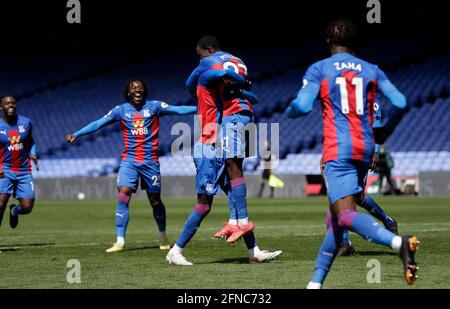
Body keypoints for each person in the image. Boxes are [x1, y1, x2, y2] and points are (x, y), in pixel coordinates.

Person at [285, 20, 418, 288]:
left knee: (344, 215)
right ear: (355, 43)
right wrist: (385, 132)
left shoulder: (320, 69)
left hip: (339, 147)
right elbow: (402, 102)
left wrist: (291, 111)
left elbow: (302, 105)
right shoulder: (372, 70)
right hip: (365, 147)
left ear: (327, 42)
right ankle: (315, 283)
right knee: (336, 217)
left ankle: (398, 244)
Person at [166, 35, 282, 265]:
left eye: (201, 57)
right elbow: (213, 76)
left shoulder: (220, 89)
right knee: (204, 205)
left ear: (207, 52)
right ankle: (175, 252)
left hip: (219, 143)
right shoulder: (206, 81)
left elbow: (250, 96)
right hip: (207, 145)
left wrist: (239, 89)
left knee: (235, 197)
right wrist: (241, 81)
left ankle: (254, 252)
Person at [65, 79, 197, 253]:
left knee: (155, 201)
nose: (137, 90)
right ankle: (120, 241)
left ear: (144, 91)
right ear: (128, 93)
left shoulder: (155, 107)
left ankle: (163, 235)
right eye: (133, 88)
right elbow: (98, 123)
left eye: (140, 87)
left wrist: (201, 108)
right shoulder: (120, 110)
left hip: (150, 162)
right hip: (130, 161)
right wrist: (77, 134)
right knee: (123, 194)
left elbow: (177, 109)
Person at [322, 102, 398, 257]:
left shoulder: (368, 97)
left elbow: (376, 126)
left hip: (361, 151)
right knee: (337, 196)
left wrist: (375, 151)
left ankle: (388, 222)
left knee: (356, 196)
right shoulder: (340, 96)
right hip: (340, 150)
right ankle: (345, 244)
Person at [0, 95, 39, 230]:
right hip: (4, 169)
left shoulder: (26, 122)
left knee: (27, 207)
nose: (10, 105)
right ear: (1, 107)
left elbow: (30, 142)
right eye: (7, 104)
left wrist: (33, 153)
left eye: (13, 103)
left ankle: (14, 211)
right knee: (0, 204)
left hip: (24, 170)